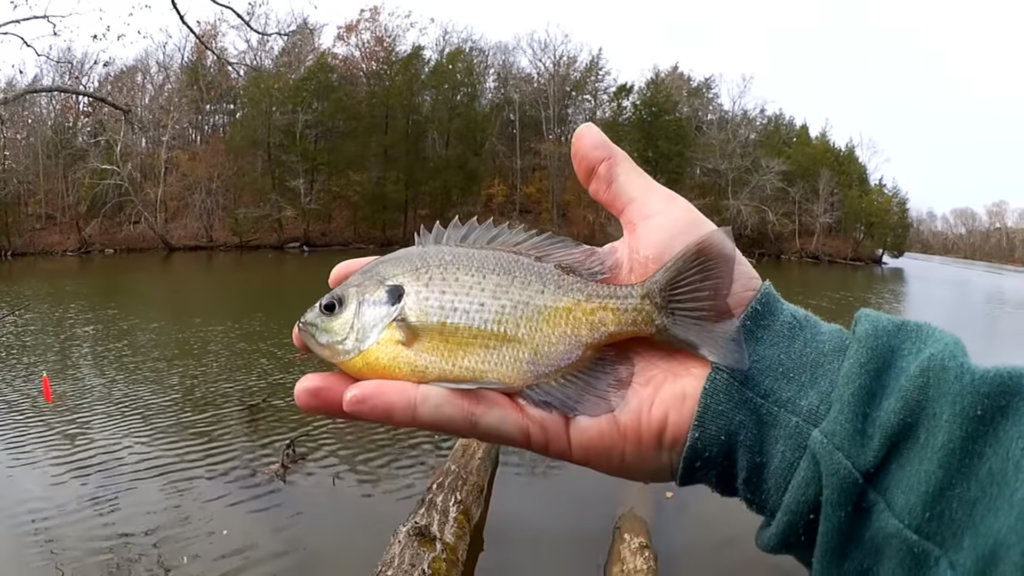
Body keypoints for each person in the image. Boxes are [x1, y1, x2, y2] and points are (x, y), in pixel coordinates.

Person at [291, 123, 1024, 573]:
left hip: (585, 340)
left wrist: (760, 363)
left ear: (383, 306)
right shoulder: (399, 299)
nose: (322, 321)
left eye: (332, 309)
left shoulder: (401, 305)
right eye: (328, 309)